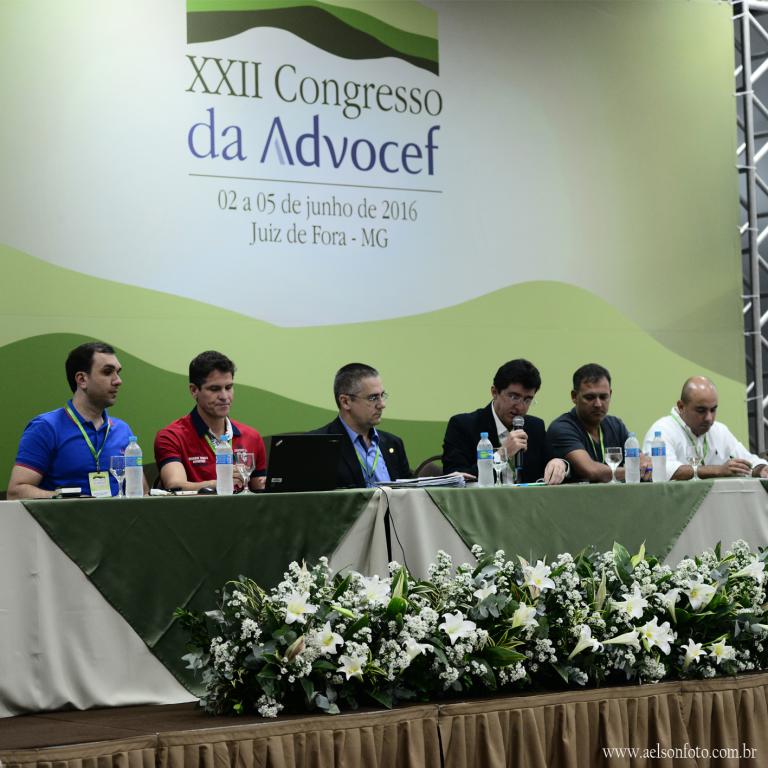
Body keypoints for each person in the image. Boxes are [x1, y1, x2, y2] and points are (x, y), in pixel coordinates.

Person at [8, 341, 137, 499]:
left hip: (117, 515)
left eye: (118, 372)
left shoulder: (123, 430)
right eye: (108, 372)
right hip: (67, 515)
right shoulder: (46, 427)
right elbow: (16, 492)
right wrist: (70, 501)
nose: (118, 381)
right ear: (82, 379)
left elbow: (140, 490)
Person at [154, 350, 267, 491]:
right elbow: (175, 485)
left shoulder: (252, 437)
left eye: (228, 387)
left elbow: (260, 490)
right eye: (214, 389)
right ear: (194, 390)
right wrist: (221, 483)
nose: (224, 396)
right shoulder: (171, 437)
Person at [442, 359, 568, 484]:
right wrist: (501, 455)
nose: (520, 407)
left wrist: (560, 464)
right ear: (494, 392)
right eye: (514, 397)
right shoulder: (463, 425)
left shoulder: (534, 426)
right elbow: (456, 479)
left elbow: (558, 461)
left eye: (527, 400)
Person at [643, 376, 768, 480]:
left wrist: (760, 469)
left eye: (713, 410)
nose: (709, 418)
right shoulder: (662, 431)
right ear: (681, 407)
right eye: (701, 410)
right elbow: (659, 469)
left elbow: (750, 460)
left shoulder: (720, 431)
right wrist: (718, 470)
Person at [547, 363, 652, 483]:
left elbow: (640, 461)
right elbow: (591, 471)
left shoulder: (616, 425)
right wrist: (633, 471)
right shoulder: (562, 428)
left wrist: (646, 464)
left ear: (610, 394)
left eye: (603, 397)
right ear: (574, 396)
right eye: (590, 397)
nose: (598, 404)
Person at [311, 363, 411, 488]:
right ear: (345, 402)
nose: (382, 404)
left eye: (382, 395)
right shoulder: (319, 446)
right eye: (373, 398)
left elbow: (410, 493)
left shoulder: (393, 443)